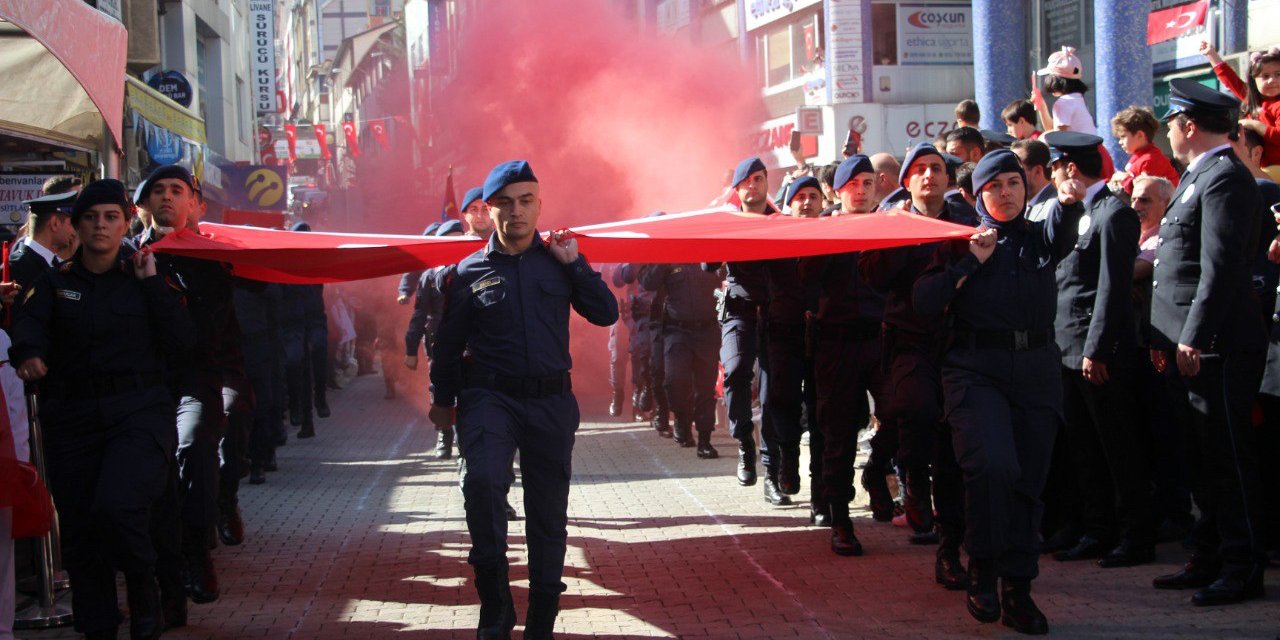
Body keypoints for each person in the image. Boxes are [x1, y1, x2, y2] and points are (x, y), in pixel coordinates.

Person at [429, 160, 618, 639]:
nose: (517, 212)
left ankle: (540, 623)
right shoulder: (468, 271)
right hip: (489, 397)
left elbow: (605, 313)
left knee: (547, 514)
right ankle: (495, 608)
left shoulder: (558, 260)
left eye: (526, 201)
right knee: (483, 486)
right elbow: (448, 344)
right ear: (487, 210)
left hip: (551, 402)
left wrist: (575, 264)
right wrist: (441, 400)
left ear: (539, 205)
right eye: (505, 203)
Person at [12, 179, 196, 640]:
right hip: (72, 419)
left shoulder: (148, 278)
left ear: (125, 223)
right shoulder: (54, 285)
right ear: (73, 226)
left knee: (119, 507)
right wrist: (30, 355)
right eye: (90, 217)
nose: (100, 226)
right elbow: (27, 330)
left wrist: (152, 284)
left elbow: (182, 341)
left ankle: (144, 594)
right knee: (81, 527)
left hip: (137, 415)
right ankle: (98, 624)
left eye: (110, 217)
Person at [914, 149, 1086, 635]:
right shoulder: (959, 241)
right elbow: (924, 301)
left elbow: (1064, 234)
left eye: (1014, 183)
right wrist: (970, 260)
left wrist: (1071, 204)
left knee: (1028, 481)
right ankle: (982, 569)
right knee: (992, 468)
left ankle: (1018, 588)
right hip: (975, 371)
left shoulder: (1038, 238)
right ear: (975, 195)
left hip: (1035, 370)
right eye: (995, 186)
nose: (1006, 193)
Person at [1150, 80, 1268, 607]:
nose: (1169, 130)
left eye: (1172, 121)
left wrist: (1192, 336)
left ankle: (1242, 565)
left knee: (1226, 457)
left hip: (1216, 344)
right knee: (1201, 456)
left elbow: (1218, 270)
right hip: (1188, 344)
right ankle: (1210, 553)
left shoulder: (1223, 178)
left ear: (1189, 125)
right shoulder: (1198, 176)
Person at [861, 142, 976, 589]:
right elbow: (872, 277)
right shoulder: (891, 223)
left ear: (948, 179)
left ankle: (950, 547)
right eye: (920, 170)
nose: (930, 175)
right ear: (906, 181)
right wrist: (903, 239)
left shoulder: (966, 220)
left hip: (958, 345)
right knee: (915, 410)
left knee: (952, 440)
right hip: (907, 340)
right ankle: (911, 479)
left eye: (937, 169)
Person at [1040, 131, 1154, 569]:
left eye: (1055, 168)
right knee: (1083, 447)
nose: (1053, 178)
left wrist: (1098, 349)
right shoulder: (1078, 213)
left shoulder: (1113, 214)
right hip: (1066, 347)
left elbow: (1112, 287)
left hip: (1097, 351)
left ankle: (1134, 534)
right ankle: (1097, 528)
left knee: (1118, 446)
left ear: (1070, 168)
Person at [135, 165, 239, 606]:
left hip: (195, 378)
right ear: (142, 205)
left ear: (192, 202)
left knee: (195, 450)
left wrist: (157, 284)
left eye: (176, 190)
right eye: (157, 191)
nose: (166, 198)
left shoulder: (208, 261)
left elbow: (197, 337)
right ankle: (164, 578)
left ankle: (199, 556)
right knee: (153, 482)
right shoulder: (127, 256)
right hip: (142, 386)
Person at [798, 155, 890, 556]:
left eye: (868, 183)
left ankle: (875, 472)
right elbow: (803, 283)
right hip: (835, 342)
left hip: (881, 339)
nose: (861, 191)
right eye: (853, 184)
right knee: (837, 434)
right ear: (837, 191)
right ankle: (840, 518)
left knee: (904, 412)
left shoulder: (889, 228)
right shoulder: (823, 232)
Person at [703, 157, 774, 488]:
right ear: (738, 189)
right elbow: (707, 263)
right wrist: (720, 227)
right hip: (738, 313)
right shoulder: (727, 220)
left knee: (775, 390)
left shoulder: (780, 221)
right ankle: (745, 444)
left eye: (759, 179)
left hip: (775, 314)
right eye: (747, 181)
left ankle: (772, 467)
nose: (753, 185)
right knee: (735, 371)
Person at [640, 259, 722, 459]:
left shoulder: (712, 252)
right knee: (674, 381)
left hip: (707, 330)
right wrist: (664, 258)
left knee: (705, 388)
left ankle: (704, 440)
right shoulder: (670, 254)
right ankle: (681, 418)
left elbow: (727, 274)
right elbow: (647, 282)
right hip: (677, 331)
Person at [406, 219, 464, 457]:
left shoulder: (471, 268)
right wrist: (410, 349)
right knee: (438, 387)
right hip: (437, 340)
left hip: (465, 338)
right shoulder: (429, 275)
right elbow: (419, 313)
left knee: (465, 386)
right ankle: (444, 432)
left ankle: (463, 434)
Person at [1202, 42, 1280, 174]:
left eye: (1278, 74)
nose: (1272, 80)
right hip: (1259, 167)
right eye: (1265, 76)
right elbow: (1231, 80)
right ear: (1253, 80)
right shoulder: (1253, 100)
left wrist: (1253, 124)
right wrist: (1212, 55)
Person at [281, 222, 331, 422]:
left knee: (319, 348)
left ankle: (320, 397)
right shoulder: (284, 263)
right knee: (293, 362)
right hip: (292, 322)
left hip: (314, 318)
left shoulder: (317, 260)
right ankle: (295, 407)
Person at [7, 191, 77, 298]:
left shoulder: (52, 263)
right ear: (55, 224)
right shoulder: (21, 266)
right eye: (71, 223)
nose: (75, 231)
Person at [1111, 106, 1180, 193]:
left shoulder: (1150, 159)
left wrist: (1123, 178)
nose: (1120, 142)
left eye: (1123, 137)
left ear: (1140, 135)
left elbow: (1145, 192)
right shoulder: (1139, 156)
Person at [1033, 46, 1095, 134]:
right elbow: (1054, 130)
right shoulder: (1077, 98)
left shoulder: (1064, 103)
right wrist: (1041, 105)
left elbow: (1059, 138)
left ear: (1055, 79)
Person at [1011, 139, 1057, 215]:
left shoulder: (1054, 208)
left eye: (1016, 167)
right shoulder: (1019, 205)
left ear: (1037, 171)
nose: (1010, 173)